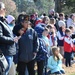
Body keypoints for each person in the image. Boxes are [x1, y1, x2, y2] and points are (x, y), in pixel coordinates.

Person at [0, 2, 16, 75]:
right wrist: (12, 40)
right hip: (4, 53)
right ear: (1, 10)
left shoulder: (3, 21)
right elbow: (0, 37)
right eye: (4, 9)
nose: (5, 11)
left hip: (8, 52)